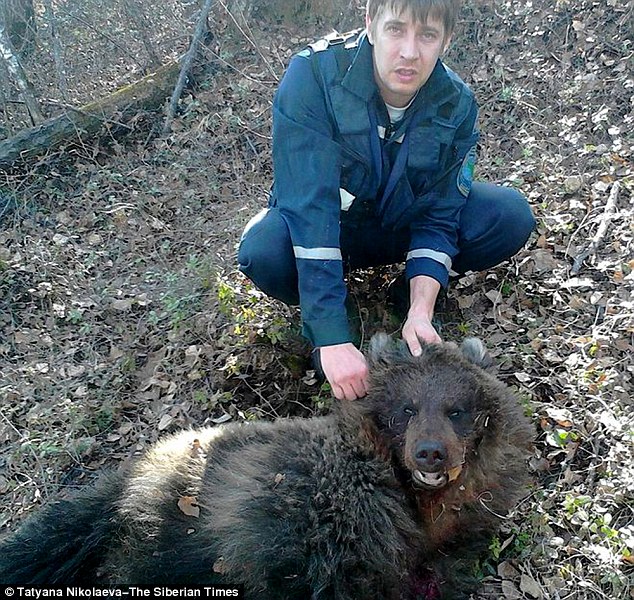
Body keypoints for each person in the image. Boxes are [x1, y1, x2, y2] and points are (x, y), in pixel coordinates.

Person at [238, 0, 535, 401]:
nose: (410, 51)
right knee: (263, 250)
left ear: (446, 40)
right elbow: (309, 210)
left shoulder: (456, 102)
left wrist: (420, 309)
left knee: (508, 215)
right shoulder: (313, 76)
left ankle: (406, 297)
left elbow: (440, 213)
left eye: (427, 35)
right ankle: (333, 314)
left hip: (399, 225)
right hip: (333, 229)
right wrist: (331, 339)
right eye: (396, 29)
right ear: (370, 24)